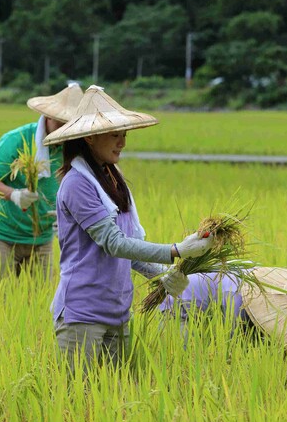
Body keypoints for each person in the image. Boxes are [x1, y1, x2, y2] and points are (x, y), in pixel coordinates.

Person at [43, 84, 213, 368]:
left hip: (118, 312)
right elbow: (114, 243)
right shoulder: (77, 183)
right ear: (90, 138)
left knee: (113, 400)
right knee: (79, 404)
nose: (122, 142)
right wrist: (176, 250)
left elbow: (130, 245)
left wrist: (164, 276)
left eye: (124, 135)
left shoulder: (112, 176)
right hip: (82, 315)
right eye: (114, 135)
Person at [0, 83, 84, 276]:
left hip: (42, 239)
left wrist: (67, 215)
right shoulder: (18, 139)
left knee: (39, 301)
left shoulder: (73, 147)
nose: (64, 130)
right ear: (49, 115)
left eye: (70, 124)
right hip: (2, 236)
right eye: (61, 122)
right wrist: (13, 194)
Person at [160, 266, 287, 353]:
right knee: (188, 360)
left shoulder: (268, 284)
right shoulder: (238, 300)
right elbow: (230, 347)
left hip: (213, 305)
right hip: (180, 304)